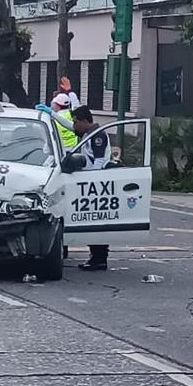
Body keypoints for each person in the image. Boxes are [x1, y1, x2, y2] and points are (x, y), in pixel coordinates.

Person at [70, 105, 112, 271]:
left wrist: (92, 179)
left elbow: (99, 162)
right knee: (92, 221)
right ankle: (96, 257)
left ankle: (99, 258)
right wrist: (51, 113)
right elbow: (70, 127)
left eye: (75, 122)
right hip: (91, 183)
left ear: (85, 121)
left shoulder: (97, 136)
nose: (73, 126)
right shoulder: (88, 133)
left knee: (97, 222)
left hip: (96, 184)